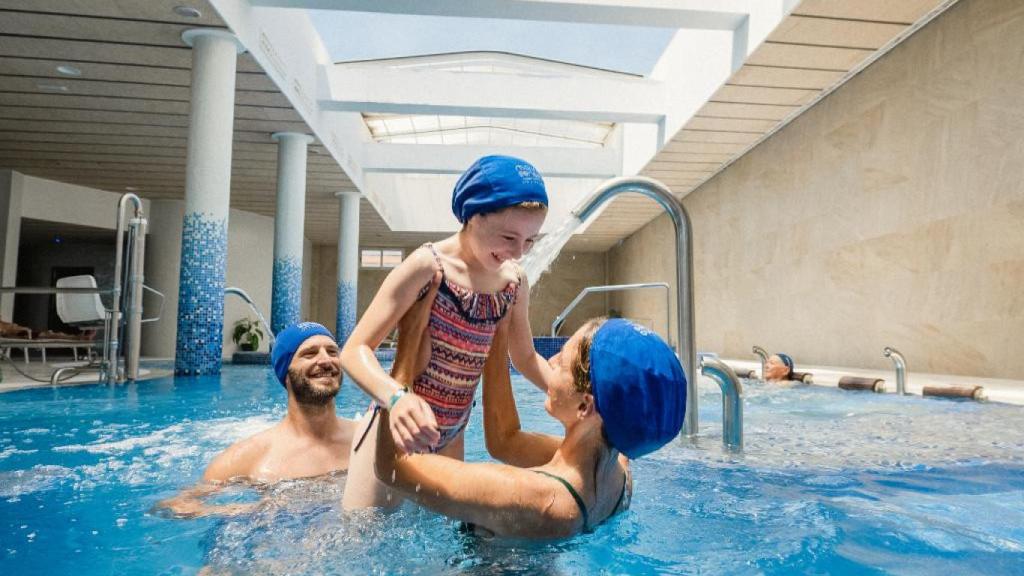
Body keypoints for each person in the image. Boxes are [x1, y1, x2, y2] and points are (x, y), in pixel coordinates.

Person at [372, 288, 687, 538]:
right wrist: (498, 330)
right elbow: (504, 440)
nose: (549, 365)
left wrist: (406, 350)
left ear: (585, 406)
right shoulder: (619, 473)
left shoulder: (534, 497)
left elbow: (392, 467)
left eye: (560, 361)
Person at [341, 155, 557, 509]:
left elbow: (526, 356)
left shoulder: (513, 283)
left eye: (530, 241)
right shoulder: (428, 266)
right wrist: (396, 397)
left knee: (439, 554)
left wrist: (575, 400)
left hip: (452, 435)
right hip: (393, 426)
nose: (517, 252)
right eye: (508, 236)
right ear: (473, 214)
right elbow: (355, 349)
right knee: (364, 535)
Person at [157, 322, 357, 517]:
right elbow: (175, 506)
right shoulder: (248, 457)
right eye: (310, 353)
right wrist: (251, 511)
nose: (326, 360)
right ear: (285, 373)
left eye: (332, 352)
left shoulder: (365, 438)